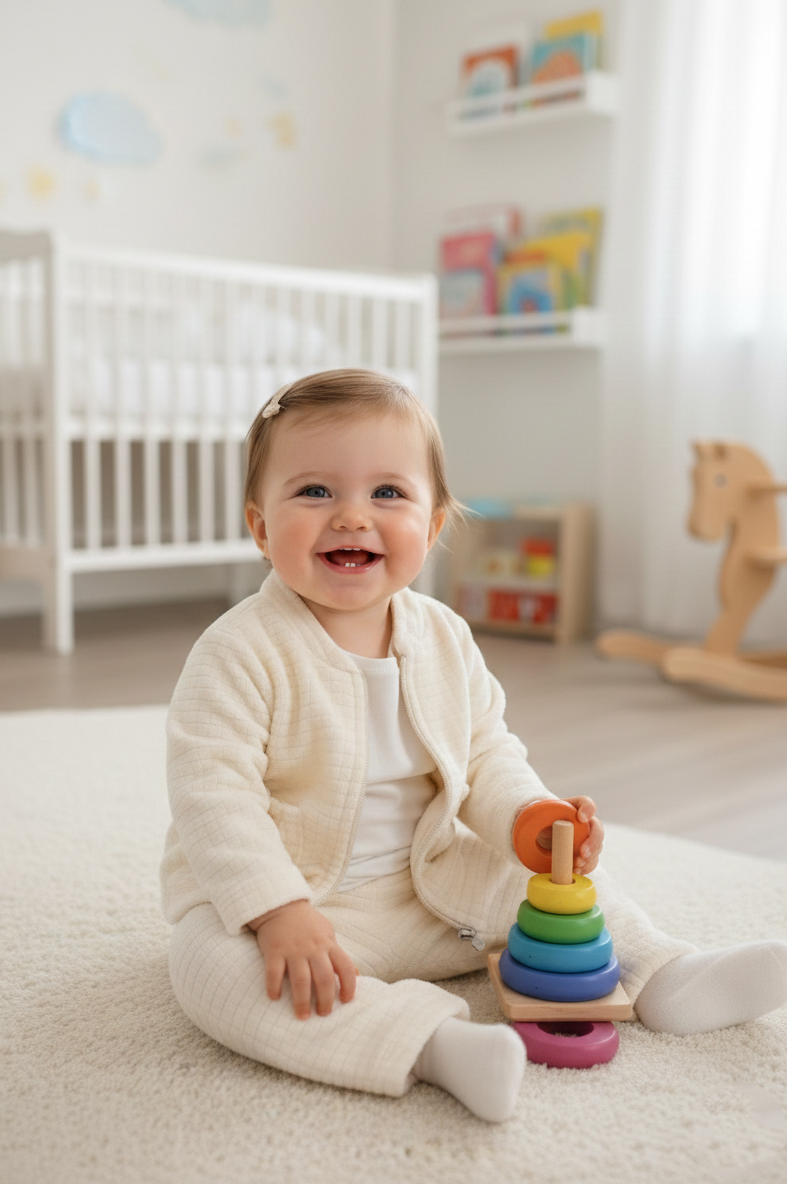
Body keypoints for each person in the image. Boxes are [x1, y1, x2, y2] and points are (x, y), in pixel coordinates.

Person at [161, 369, 787, 1122]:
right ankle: (430, 1044)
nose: (352, 516)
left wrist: (529, 819)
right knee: (210, 967)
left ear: (431, 528)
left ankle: (663, 975)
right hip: (305, 903)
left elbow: (487, 753)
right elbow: (212, 795)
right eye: (316, 492)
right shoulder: (238, 650)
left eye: (387, 493)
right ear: (262, 528)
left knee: (554, 890)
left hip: (432, 884)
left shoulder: (444, 637)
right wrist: (276, 909)